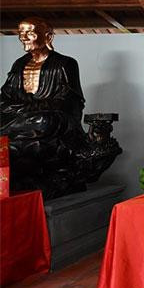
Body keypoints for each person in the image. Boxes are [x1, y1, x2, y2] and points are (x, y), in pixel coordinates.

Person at [1, 18, 88, 198]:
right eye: (21, 33)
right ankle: (20, 136)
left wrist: (29, 110)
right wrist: (26, 110)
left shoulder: (65, 64)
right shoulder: (19, 65)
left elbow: (68, 102)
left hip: (45, 121)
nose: (24, 38)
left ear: (48, 37)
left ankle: (17, 135)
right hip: (24, 120)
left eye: (30, 33)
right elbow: (4, 99)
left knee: (45, 120)